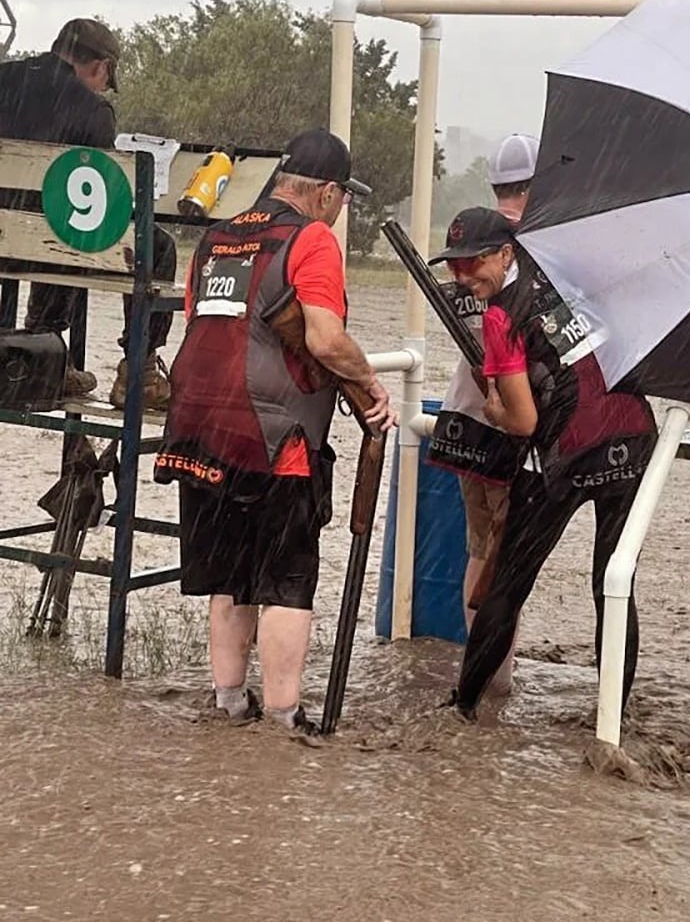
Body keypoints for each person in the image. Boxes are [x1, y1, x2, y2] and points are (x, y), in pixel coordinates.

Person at [154, 127, 395, 745]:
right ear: (328, 193)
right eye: (343, 199)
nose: (341, 210)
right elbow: (323, 338)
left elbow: (199, 322)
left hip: (197, 429)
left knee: (230, 576)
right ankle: (286, 721)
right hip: (275, 437)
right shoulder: (311, 240)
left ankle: (229, 702)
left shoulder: (218, 237)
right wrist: (369, 382)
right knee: (287, 580)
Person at [432, 207, 658, 720]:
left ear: (507, 253)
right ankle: (611, 719)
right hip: (634, 438)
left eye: (475, 263)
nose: (465, 276)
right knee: (614, 583)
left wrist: (492, 405)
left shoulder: (500, 317)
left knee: (509, 581)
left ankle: (462, 709)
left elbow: (523, 421)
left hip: (565, 453)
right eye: (455, 266)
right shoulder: (570, 275)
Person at [0, 18, 174, 406]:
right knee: (152, 245)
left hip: (5, 237)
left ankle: (46, 354)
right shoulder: (92, 110)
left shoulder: (6, 79)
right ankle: (138, 371)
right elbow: (100, 200)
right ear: (101, 67)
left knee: (53, 228)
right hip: (47, 241)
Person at [427, 133, 540, 695]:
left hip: (463, 421)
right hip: (516, 426)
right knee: (508, 557)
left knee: (480, 550)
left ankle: (486, 672)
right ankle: (499, 678)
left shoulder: (467, 239)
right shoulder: (532, 248)